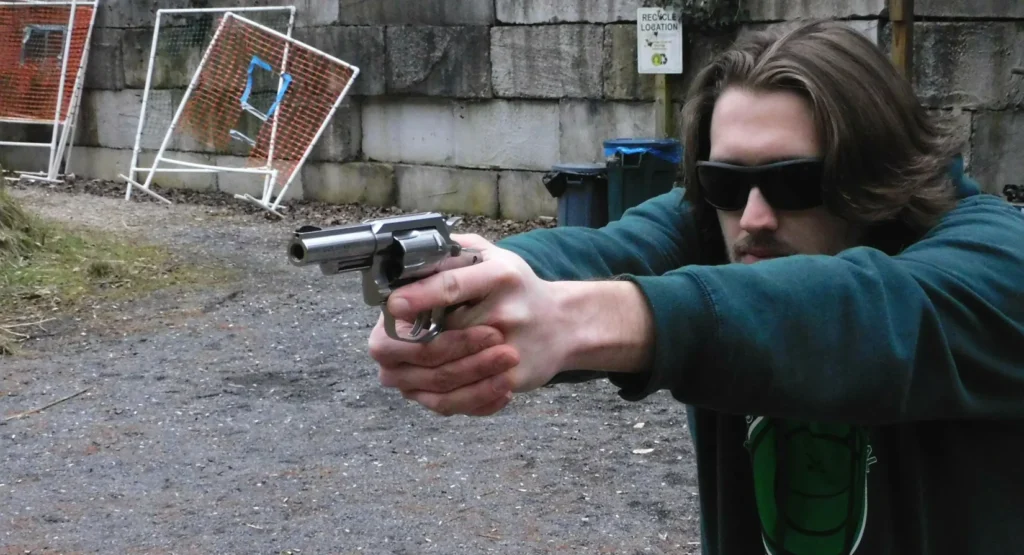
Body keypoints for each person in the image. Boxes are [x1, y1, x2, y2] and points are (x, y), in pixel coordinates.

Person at [368, 19, 1024, 555]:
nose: (755, 217)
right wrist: (466, 281)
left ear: (876, 179)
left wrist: (588, 320)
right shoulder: (712, 223)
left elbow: (872, 314)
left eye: (796, 183)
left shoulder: (996, 261)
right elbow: (601, 252)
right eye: (726, 184)